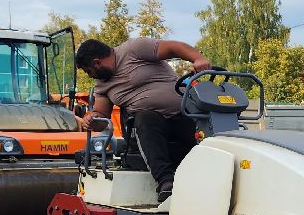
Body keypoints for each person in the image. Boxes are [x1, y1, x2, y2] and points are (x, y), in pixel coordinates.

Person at [75, 37, 212, 203]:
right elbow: (101, 115)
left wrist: (198, 58)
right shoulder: (102, 85)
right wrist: (91, 119)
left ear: (97, 62)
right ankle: (166, 181)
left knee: (209, 121)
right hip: (150, 124)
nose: (90, 76)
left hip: (184, 114)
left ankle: (213, 176)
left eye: (88, 71)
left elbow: (173, 47)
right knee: (145, 117)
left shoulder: (134, 49)